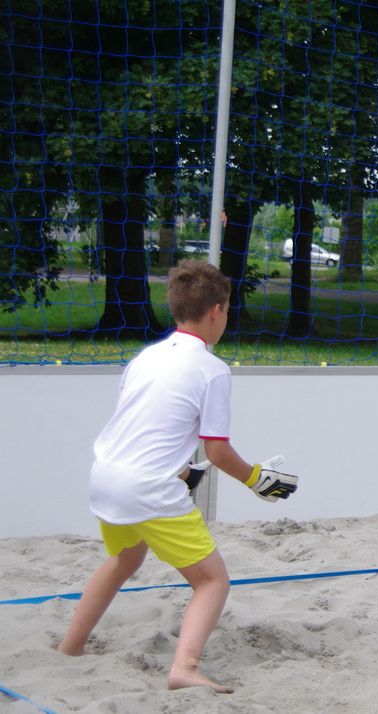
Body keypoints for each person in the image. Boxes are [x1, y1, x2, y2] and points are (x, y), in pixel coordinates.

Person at [56, 260, 299, 693]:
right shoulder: (212, 369)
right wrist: (256, 479)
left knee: (123, 561)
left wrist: (185, 471)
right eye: (228, 310)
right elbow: (218, 451)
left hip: (107, 475)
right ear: (217, 311)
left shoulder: (145, 358)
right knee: (212, 580)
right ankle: (185, 668)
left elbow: (145, 431)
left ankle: (71, 646)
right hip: (148, 488)